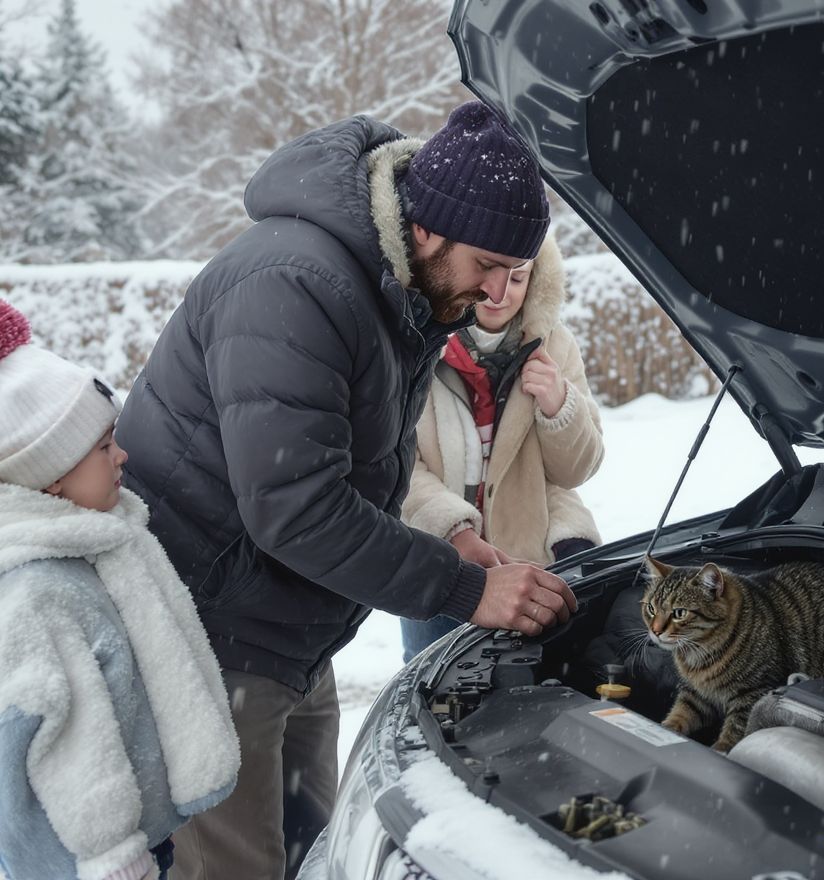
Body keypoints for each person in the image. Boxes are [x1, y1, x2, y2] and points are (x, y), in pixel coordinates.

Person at [113, 102, 579, 880]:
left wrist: (449, 537)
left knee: (315, 852)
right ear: (428, 228)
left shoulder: (404, 289)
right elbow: (295, 507)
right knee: (239, 868)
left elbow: (353, 463)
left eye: (516, 270)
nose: (501, 291)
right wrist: (466, 590)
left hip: (293, 631)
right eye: (489, 264)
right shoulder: (295, 283)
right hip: (210, 637)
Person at [0, 301, 240, 880]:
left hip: (137, 836)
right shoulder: (38, 589)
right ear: (51, 476)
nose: (122, 454)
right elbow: (68, 739)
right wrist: (109, 852)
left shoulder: (103, 539)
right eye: (104, 446)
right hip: (85, 859)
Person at [400, 233, 604, 660]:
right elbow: (398, 465)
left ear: (536, 281)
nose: (500, 293)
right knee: (437, 700)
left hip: (529, 569)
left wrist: (559, 404)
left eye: (519, 278)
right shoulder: (414, 345)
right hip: (441, 569)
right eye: (490, 270)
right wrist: (454, 531)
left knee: (528, 696)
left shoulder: (556, 348)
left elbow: (575, 471)